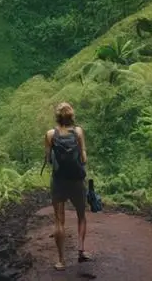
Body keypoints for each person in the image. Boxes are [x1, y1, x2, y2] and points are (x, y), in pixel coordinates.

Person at [44, 102, 92, 272]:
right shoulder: (78, 132)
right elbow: (84, 157)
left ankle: (62, 261)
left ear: (57, 117)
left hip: (58, 181)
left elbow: (49, 158)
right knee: (81, 215)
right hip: (77, 181)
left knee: (59, 220)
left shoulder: (50, 134)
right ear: (72, 116)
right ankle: (81, 251)